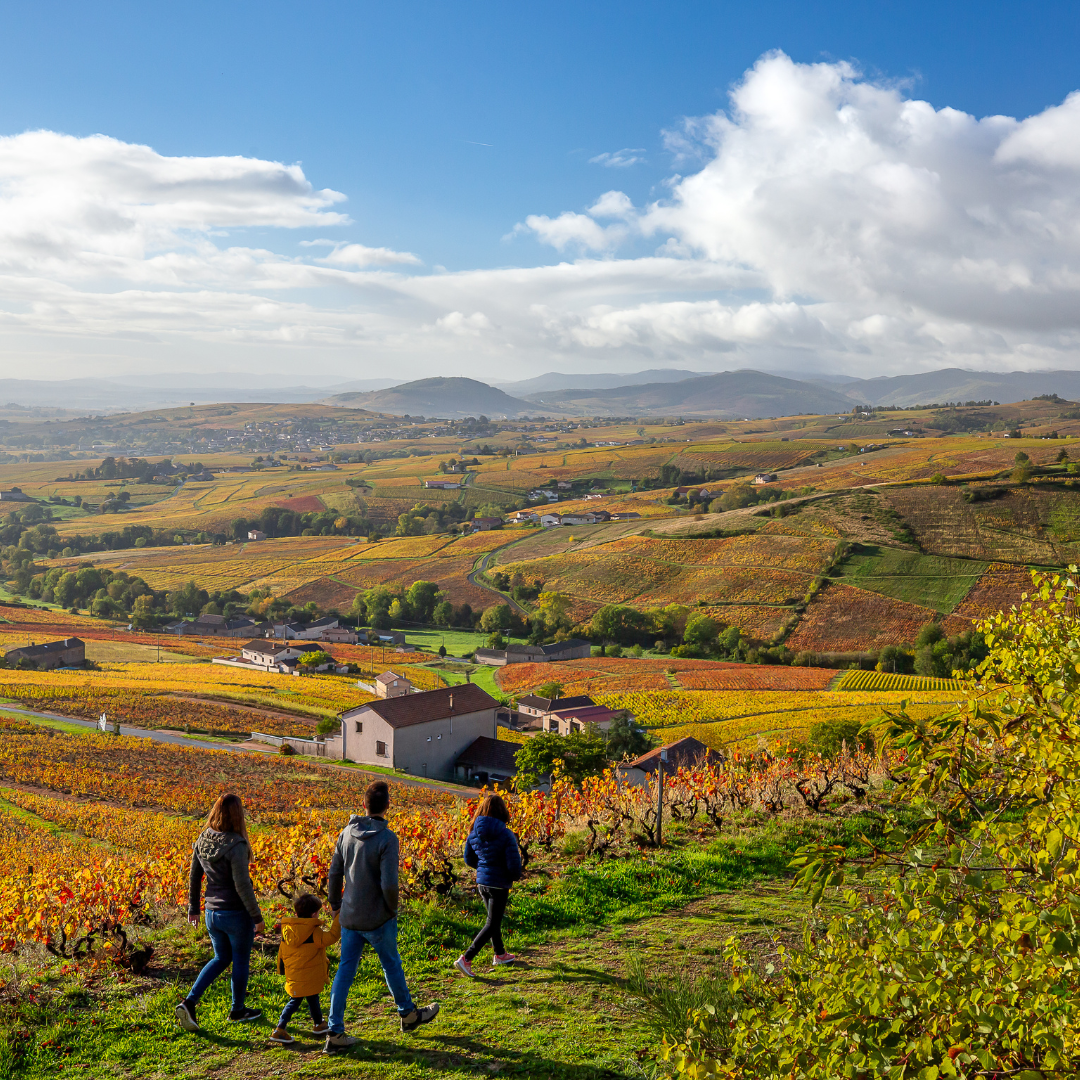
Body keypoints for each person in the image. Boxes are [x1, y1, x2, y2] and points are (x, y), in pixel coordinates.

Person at [323, 780, 440, 1053]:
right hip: (378, 916)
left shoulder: (346, 833)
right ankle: (408, 1015)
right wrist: (392, 909)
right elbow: (389, 884)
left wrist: (334, 904)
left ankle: (335, 1031)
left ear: (363, 805)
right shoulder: (387, 838)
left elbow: (334, 872)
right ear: (388, 806)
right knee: (390, 964)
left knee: (345, 971)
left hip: (350, 917)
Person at [176, 793, 265, 1031]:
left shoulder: (203, 838)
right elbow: (242, 886)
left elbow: (194, 877)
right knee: (240, 961)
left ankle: (190, 1002)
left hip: (211, 914)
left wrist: (193, 908)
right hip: (235, 914)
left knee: (220, 958)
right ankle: (237, 1009)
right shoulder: (236, 845)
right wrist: (257, 917)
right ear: (238, 815)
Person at [454, 793, 522, 977]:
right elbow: (513, 864)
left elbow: (468, 859)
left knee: (493, 921)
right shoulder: (506, 834)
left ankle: (500, 954)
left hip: (482, 882)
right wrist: (516, 875)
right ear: (502, 811)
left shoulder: (474, 832)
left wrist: (484, 868)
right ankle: (466, 958)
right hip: (499, 884)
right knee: (492, 923)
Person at [269, 893, 341, 1045]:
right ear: (314, 914)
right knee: (295, 1001)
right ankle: (279, 1029)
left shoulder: (288, 929)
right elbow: (331, 938)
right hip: (309, 973)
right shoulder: (313, 931)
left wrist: (282, 969)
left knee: (312, 996)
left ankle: (318, 1023)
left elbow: (282, 952)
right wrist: (339, 919)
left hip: (294, 973)